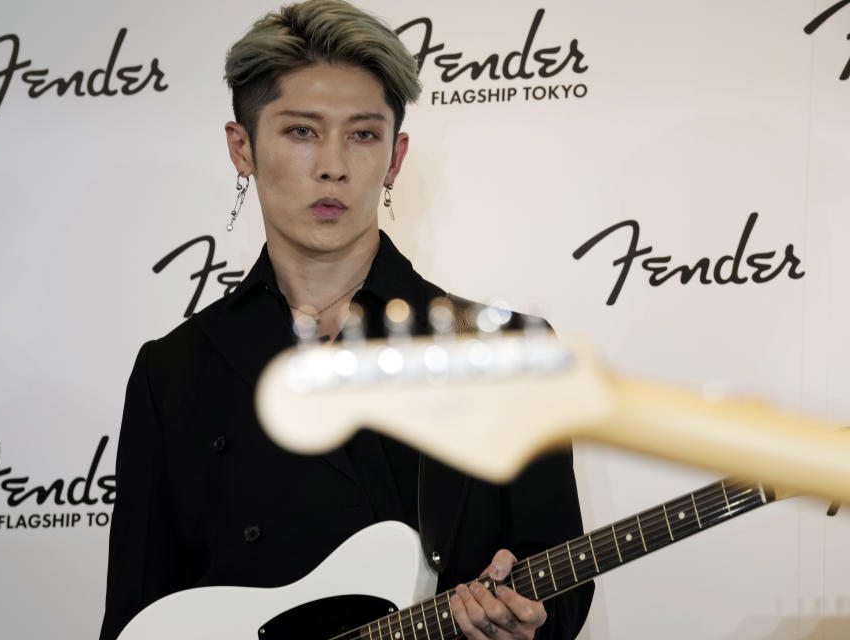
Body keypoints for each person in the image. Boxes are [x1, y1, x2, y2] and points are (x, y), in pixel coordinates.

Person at [99, 1, 593, 639]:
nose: (333, 164)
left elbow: (565, 597)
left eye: (362, 134)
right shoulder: (173, 371)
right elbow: (134, 618)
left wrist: (523, 622)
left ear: (394, 156)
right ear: (241, 147)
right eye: (301, 131)